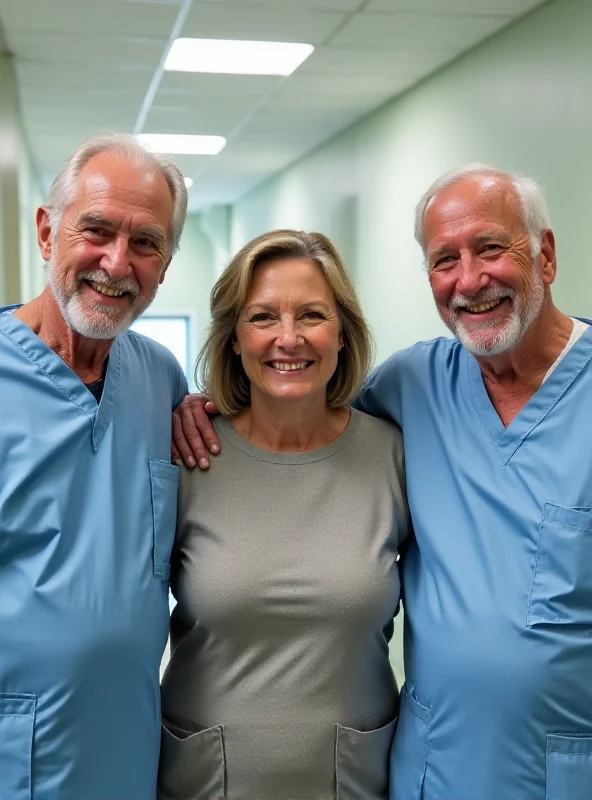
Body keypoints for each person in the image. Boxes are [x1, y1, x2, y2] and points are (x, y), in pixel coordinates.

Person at [173, 165, 592, 800]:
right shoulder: (414, 387)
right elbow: (297, 405)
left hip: (558, 764)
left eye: (490, 248)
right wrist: (197, 407)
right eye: (444, 258)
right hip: (432, 765)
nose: (470, 279)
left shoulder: (389, 438)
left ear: (546, 254)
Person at [159, 230, 409, 800]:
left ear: (342, 333)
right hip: (207, 780)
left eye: (312, 315)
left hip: (354, 779)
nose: (288, 338)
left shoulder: (393, 455)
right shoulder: (185, 455)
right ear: (233, 338)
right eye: (263, 317)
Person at [0, 133, 188, 800]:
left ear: (165, 264)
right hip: (17, 754)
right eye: (97, 230)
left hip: (126, 749)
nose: (117, 262)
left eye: (146, 242)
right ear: (48, 232)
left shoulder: (160, 378)